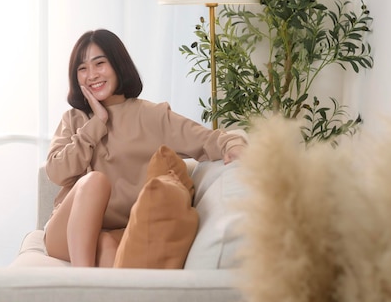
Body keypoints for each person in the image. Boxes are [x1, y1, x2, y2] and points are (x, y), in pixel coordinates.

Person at [43, 29, 247, 267]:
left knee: (109, 248)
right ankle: (81, 282)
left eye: (100, 64)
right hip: (66, 232)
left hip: (119, 231)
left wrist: (235, 144)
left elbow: (209, 140)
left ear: (118, 65)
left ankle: (94, 296)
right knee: (94, 181)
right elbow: (56, 172)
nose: (91, 75)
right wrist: (96, 123)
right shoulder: (74, 119)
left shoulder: (153, 116)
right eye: (82, 68)